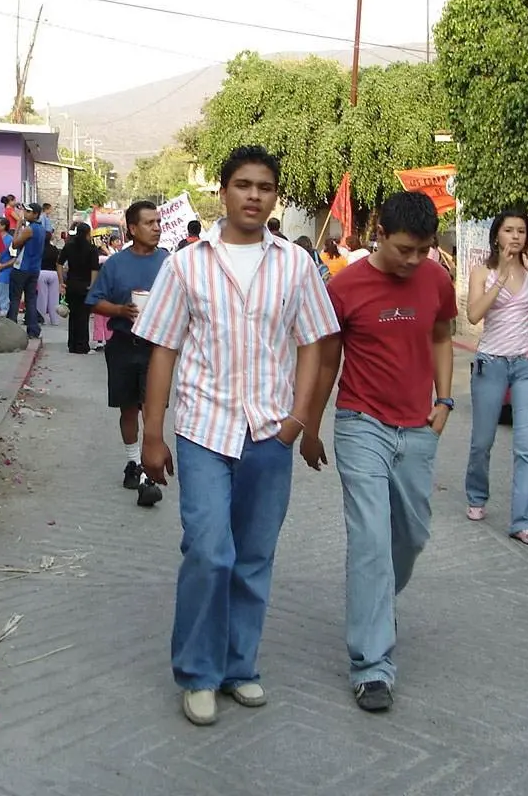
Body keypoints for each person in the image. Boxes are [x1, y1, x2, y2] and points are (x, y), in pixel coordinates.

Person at [137, 145, 339, 728]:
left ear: (275, 196)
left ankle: (239, 667)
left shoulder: (296, 265)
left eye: (266, 186)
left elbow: (315, 344)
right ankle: (198, 673)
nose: (254, 195)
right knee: (208, 550)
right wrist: (154, 435)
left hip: (269, 434)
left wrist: (299, 421)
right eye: (243, 184)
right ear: (223, 192)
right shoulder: (186, 265)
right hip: (204, 429)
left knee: (254, 556)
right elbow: (163, 351)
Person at [300, 191, 455, 713]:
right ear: (379, 234)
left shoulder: (435, 278)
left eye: (423, 250)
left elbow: (441, 335)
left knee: (410, 538)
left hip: (417, 430)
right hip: (360, 423)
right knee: (370, 539)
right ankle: (372, 666)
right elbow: (325, 364)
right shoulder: (344, 287)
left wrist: (445, 399)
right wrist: (311, 426)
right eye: (406, 249)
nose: (415, 261)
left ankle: (377, 603)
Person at [462, 210, 528, 545]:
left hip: (527, 364)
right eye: (509, 231)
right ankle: (477, 496)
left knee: (525, 446)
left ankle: (521, 520)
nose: (516, 237)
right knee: (483, 441)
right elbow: (474, 314)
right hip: (491, 362)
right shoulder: (482, 271)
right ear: (497, 236)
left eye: (521, 231)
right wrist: (501, 277)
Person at [86, 200, 171, 507]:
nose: (157, 228)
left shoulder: (169, 262)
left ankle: (148, 475)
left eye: (158, 222)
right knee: (129, 410)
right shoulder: (116, 265)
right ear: (133, 229)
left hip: (156, 349)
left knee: (153, 408)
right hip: (123, 344)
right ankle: (133, 461)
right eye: (149, 223)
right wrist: (121, 309)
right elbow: (93, 301)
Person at [59, 223, 100, 354]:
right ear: (88, 233)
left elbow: (59, 263)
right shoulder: (92, 249)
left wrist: (61, 282)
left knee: (73, 315)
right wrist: (92, 285)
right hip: (85, 285)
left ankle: (72, 344)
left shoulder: (69, 246)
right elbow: (94, 269)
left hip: (71, 283)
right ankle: (82, 345)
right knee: (83, 316)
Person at [7, 202, 45, 339]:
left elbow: (15, 243)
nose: (25, 214)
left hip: (22, 267)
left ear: (35, 214)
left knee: (15, 298)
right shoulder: (41, 229)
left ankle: (10, 328)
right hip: (35, 268)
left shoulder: (29, 229)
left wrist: (17, 228)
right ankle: (33, 329)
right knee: (30, 299)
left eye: (29, 212)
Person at [38, 231, 64, 326]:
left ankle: (41, 318)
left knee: (42, 297)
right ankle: (55, 320)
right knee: (54, 298)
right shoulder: (55, 249)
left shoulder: (39, 249)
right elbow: (58, 263)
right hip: (54, 273)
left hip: (41, 272)